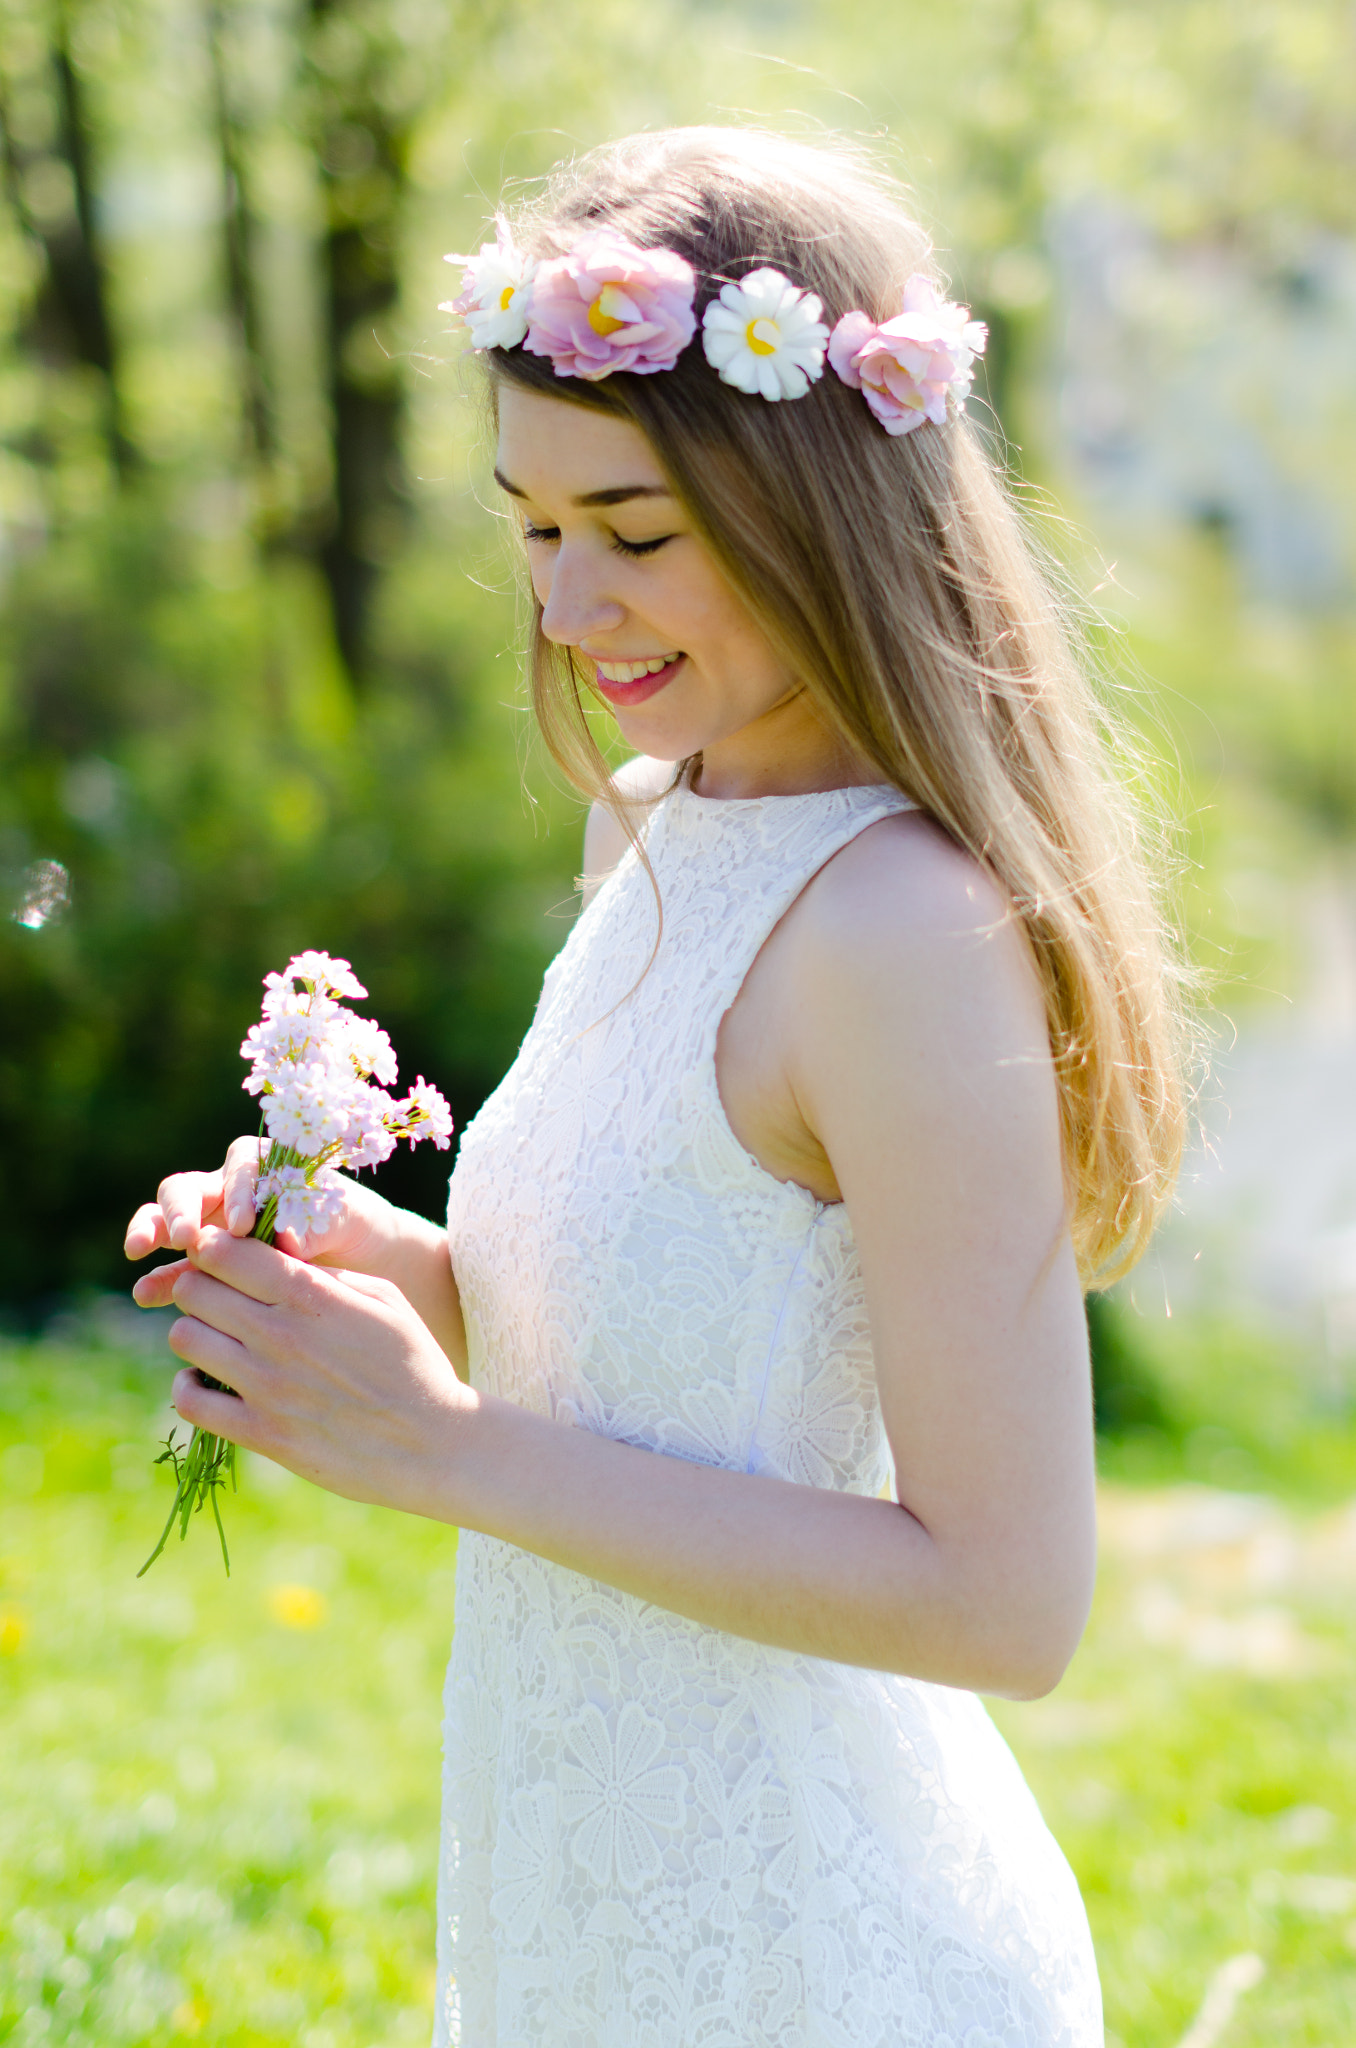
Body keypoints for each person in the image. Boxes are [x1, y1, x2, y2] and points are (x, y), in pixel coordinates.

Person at [125, 127, 1187, 2047]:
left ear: (819, 505)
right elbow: (682, 1357)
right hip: (579, 1896)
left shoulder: (906, 938)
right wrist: (394, 1284)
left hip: (820, 1956)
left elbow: (1006, 1602)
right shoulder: (659, 835)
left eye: (636, 532)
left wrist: (446, 1451)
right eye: (536, 528)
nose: (568, 605)